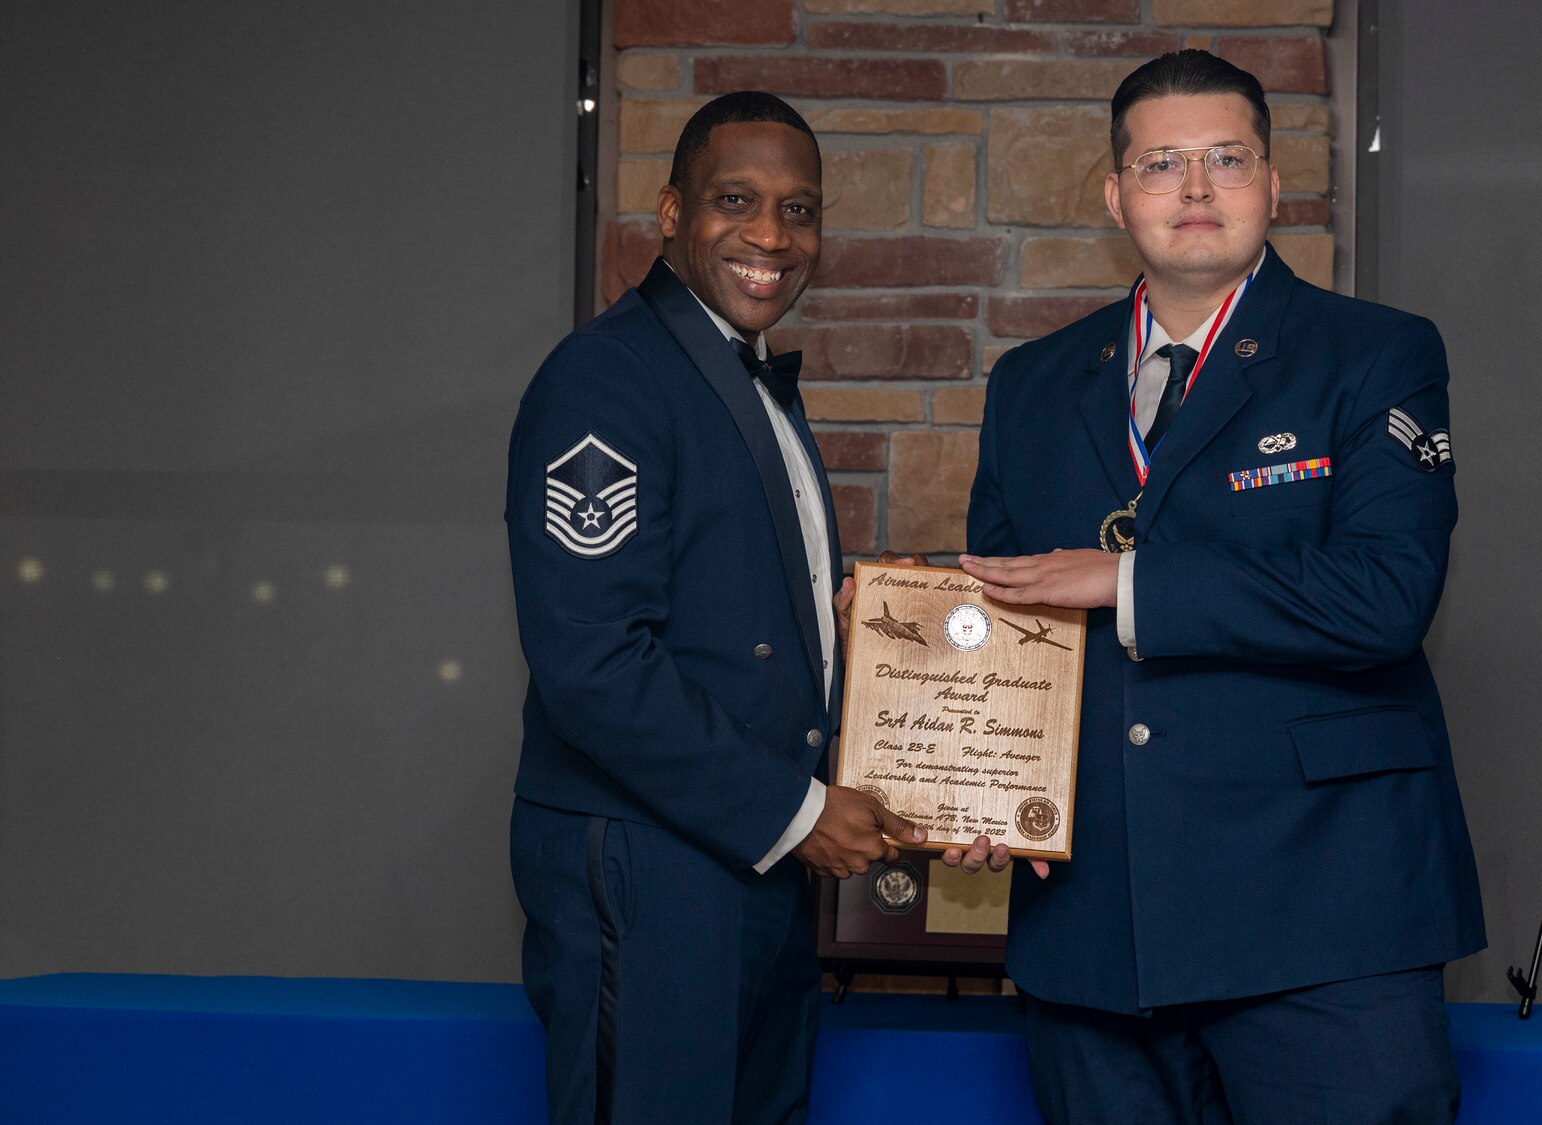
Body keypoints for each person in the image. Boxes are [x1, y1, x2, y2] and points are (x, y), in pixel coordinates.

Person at [947, 51, 1485, 1123]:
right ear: (1114, 196)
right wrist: (967, 775)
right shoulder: (1030, 385)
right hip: (1094, 925)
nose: (1194, 189)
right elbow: (1007, 635)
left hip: (1322, 922)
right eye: (1160, 164)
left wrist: (1128, 583)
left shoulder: (1375, 354)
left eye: (1224, 159)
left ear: (1272, 184)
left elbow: (1384, 596)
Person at [504, 91, 925, 1125]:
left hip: (751, 859)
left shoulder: (741, 381)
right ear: (670, 213)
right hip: (654, 867)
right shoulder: (604, 381)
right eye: (735, 200)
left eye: (801, 210)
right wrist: (800, 814)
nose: (771, 237)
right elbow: (592, 663)